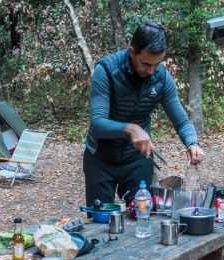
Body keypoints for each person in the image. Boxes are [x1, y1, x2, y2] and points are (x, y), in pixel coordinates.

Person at [84, 21, 204, 206]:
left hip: (137, 160)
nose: (151, 71)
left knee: (141, 215)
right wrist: (131, 129)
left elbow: (181, 121)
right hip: (100, 159)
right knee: (100, 220)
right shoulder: (107, 71)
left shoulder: (161, 77)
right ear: (132, 52)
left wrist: (192, 142)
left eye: (157, 64)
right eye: (146, 64)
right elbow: (98, 124)